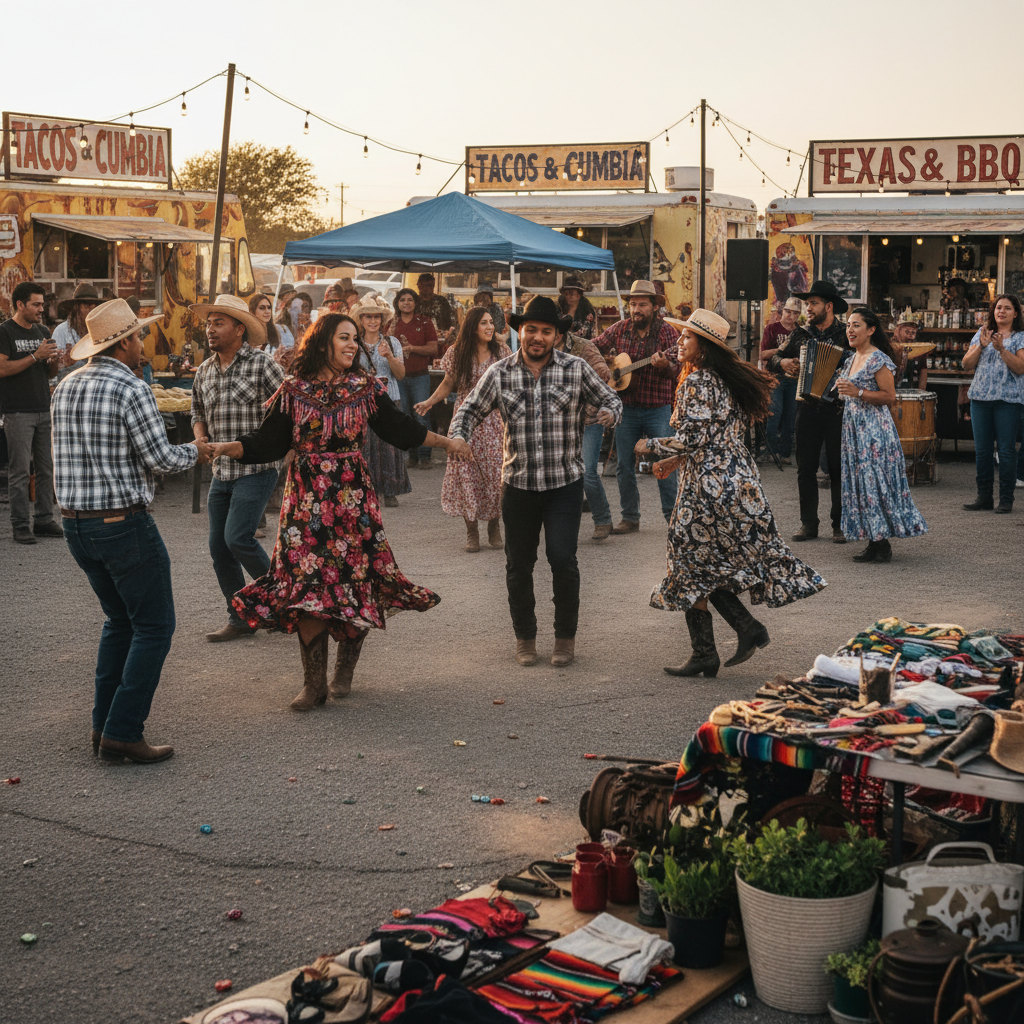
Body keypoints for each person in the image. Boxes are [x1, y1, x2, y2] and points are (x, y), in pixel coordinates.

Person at [210, 313, 462, 711]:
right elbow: (270, 442)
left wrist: (447, 443)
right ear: (322, 342)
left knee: (353, 582)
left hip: (351, 500)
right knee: (307, 587)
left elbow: (399, 430)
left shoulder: (365, 387)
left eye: (355, 339)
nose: (352, 345)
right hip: (306, 500)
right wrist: (231, 447)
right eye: (344, 337)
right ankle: (313, 684)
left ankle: (344, 670)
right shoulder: (293, 389)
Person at [51, 298, 213, 763]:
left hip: (76, 525)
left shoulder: (66, 384)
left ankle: (104, 726)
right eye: (139, 336)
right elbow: (160, 459)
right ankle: (122, 730)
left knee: (119, 622)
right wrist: (198, 450)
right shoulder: (131, 387)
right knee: (154, 625)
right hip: (122, 522)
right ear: (123, 344)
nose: (143, 343)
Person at [643, 309, 825, 677]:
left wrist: (649, 446)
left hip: (706, 490)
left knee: (687, 565)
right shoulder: (730, 381)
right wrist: (676, 462)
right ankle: (722, 643)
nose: (680, 343)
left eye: (687, 338)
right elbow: (714, 439)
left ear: (705, 347)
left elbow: (692, 439)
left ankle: (724, 642)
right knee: (706, 565)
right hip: (739, 484)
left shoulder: (697, 383)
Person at [449, 295, 622, 668]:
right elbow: (468, 410)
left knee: (563, 559)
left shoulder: (576, 369)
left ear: (557, 336)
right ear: (520, 332)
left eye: (546, 331)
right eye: (531, 330)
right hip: (519, 484)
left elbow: (611, 398)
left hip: (564, 483)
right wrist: (459, 435)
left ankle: (564, 639)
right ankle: (525, 638)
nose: (538, 337)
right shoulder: (499, 373)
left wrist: (609, 412)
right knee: (518, 564)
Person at [189, 294, 285, 642]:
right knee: (219, 547)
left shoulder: (263, 364)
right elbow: (197, 413)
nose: (210, 329)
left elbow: (287, 412)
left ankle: (284, 598)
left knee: (237, 538)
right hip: (222, 472)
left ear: (239, 329)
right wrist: (200, 439)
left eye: (218, 323)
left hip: (257, 468)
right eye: (208, 323)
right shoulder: (204, 370)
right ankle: (240, 617)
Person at [835, 308, 928, 561]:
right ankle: (874, 539)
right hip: (854, 429)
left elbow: (889, 397)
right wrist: (843, 390)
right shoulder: (850, 359)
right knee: (861, 484)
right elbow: (848, 391)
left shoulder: (878, 359)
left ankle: (881, 543)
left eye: (856, 325)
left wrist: (858, 393)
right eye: (848, 325)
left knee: (874, 482)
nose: (850, 330)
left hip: (874, 431)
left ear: (871, 330)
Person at [415, 306, 511, 551]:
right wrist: (428, 402)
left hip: (493, 421)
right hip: (465, 421)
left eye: (491, 322)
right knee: (465, 473)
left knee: (493, 474)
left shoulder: (501, 352)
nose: (490, 327)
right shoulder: (457, 352)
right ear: (472, 327)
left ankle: (493, 525)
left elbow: (512, 385)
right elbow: (448, 383)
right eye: (484, 323)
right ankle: (471, 531)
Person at [593, 279, 681, 533]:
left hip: (658, 408)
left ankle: (672, 518)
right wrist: (607, 365)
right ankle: (630, 517)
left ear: (654, 307)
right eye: (633, 304)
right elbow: (593, 347)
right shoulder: (619, 329)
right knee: (624, 465)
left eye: (642, 304)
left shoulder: (668, 333)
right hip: (627, 408)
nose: (636, 310)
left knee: (665, 461)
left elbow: (677, 369)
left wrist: (666, 366)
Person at [768, 280, 852, 544]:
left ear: (828, 306)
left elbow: (864, 359)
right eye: (807, 304)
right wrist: (783, 362)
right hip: (806, 407)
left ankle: (840, 524)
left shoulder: (846, 333)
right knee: (805, 467)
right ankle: (809, 523)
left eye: (813, 304)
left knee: (838, 467)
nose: (808, 309)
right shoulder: (801, 334)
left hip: (838, 408)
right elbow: (771, 360)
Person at [0, 281, 62, 544]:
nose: (41, 308)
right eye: (36, 304)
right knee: (20, 471)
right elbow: (2, 369)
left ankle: (45, 519)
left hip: (42, 408)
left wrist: (55, 362)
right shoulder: (4, 332)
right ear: (20, 305)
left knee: (47, 469)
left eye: (42, 303)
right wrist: (36, 356)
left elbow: (49, 374)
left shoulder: (42, 330)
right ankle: (20, 524)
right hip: (17, 411)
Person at [961, 294, 1024, 514]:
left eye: (1007, 308)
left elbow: (1020, 368)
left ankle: (1006, 499)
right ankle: (984, 497)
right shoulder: (982, 332)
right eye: (998, 307)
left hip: (1008, 401)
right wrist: (981, 346)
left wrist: (1002, 349)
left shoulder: (1020, 337)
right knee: (983, 451)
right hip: (980, 399)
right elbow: (966, 364)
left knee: (1006, 451)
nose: (1002, 312)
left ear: (1015, 313)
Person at [558, 323, 615, 540]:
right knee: (561, 472)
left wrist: (589, 404)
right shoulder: (540, 349)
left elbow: (603, 373)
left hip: (590, 419)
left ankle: (602, 519)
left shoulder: (584, 347)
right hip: (561, 421)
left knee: (588, 471)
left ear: (560, 331)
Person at [353, 297, 410, 508]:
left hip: (390, 398)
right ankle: (368, 489)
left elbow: (401, 374)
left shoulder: (392, 343)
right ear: (361, 319)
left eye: (376, 316)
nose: (373, 321)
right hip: (362, 400)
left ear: (382, 319)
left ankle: (390, 490)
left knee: (389, 445)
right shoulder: (354, 343)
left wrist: (389, 357)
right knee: (365, 445)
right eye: (368, 316)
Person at [389, 287, 439, 469]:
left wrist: (412, 348)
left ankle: (425, 455)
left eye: (410, 299)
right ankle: (412, 455)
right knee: (405, 416)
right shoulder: (392, 324)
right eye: (402, 300)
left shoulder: (425, 322)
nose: (406, 303)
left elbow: (434, 349)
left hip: (420, 377)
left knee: (421, 415)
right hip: (399, 377)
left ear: (415, 302)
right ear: (397, 303)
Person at [759, 296, 801, 464]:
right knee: (774, 414)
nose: (790, 316)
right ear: (782, 311)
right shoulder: (772, 328)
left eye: (795, 313)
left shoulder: (800, 332)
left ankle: (784, 453)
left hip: (794, 377)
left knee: (791, 416)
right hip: (775, 376)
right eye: (788, 312)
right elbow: (762, 354)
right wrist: (781, 349)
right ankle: (770, 451)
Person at [53, 283, 101, 379]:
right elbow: (53, 372)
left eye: (94, 306)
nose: (91, 309)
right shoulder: (61, 332)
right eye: (87, 305)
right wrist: (66, 364)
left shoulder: (101, 330)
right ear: (76, 308)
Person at [416, 274, 456, 347]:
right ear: (419, 286)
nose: (430, 288)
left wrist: (447, 335)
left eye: (432, 285)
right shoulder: (414, 302)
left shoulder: (442, 301)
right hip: (419, 340)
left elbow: (450, 322)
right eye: (427, 285)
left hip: (440, 340)